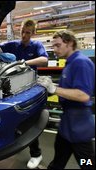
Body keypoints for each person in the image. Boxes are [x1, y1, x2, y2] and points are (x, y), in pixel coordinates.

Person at [0, 19, 48, 169]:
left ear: (33, 33)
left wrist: (24, 63)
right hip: (12, 89)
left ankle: (36, 154)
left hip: (29, 89)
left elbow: (44, 60)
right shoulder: (13, 44)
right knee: (10, 118)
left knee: (30, 121)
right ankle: (10, 145)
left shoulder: (36, 45)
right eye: (22, 31)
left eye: (27, 33)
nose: (24, 35)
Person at [38, 30, 95, 169]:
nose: (54, 50)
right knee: (59, 159)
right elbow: (70, 88)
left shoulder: (81, 63)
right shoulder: (70, 63)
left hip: (79, 127)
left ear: (70, 43)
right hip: (67, 126)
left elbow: (83, 95)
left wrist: (54, 89)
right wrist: (50, 85)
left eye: (58, 45)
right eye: (53, 46)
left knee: (87, 163)